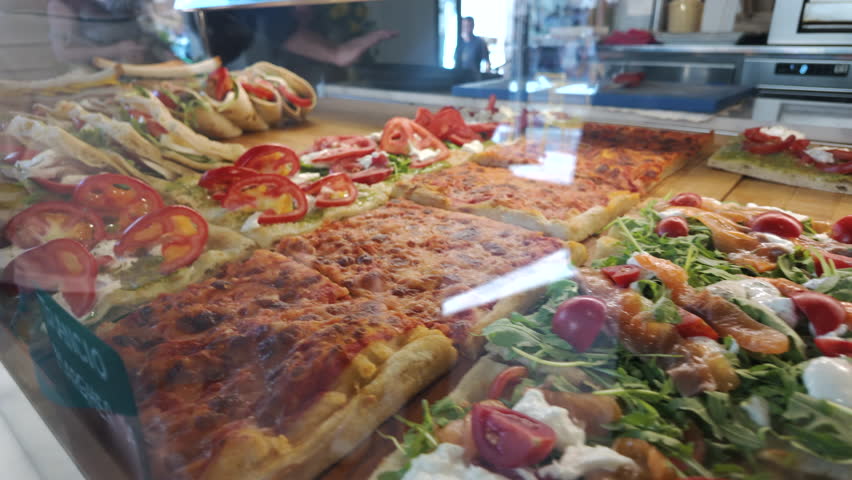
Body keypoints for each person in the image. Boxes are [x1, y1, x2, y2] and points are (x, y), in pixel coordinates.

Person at [47, 0, 159, 64]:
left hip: (146, 63)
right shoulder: (62, 4)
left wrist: (143, 45)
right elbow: (62, 54)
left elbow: (149, 21)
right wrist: (116, 50)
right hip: (101, 75)